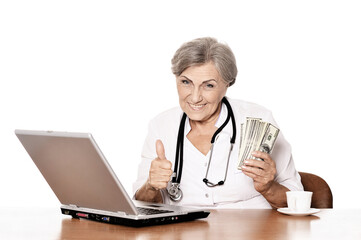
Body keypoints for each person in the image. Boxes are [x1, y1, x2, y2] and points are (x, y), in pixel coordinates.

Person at [133, 37, 303, 209]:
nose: (195, 97)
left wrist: (268, 188)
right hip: (184, 233)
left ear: (227, 84)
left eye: (209, 86)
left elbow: (298, 199)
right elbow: (140, 205)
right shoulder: (160, 127)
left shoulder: (259, 120)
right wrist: (151, 186)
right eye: (186, 82)